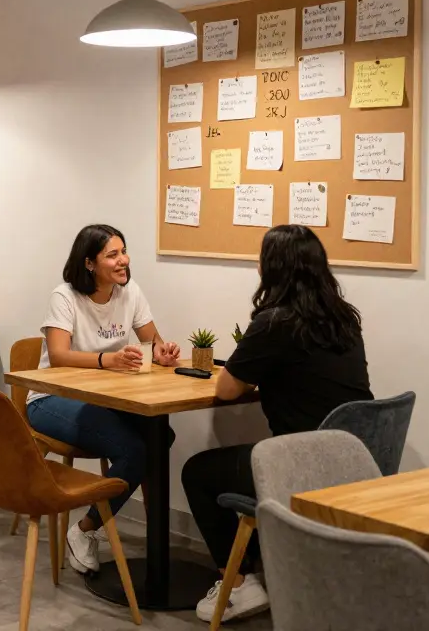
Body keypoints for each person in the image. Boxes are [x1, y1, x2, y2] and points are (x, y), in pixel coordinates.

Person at [181, 224, 373, 623]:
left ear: (273, 270)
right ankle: (257, 576)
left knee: (197, 472)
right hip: (356, 459)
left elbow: (228, 389)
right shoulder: (344, 318)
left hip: (303, 465)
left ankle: (240, 585)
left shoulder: (275, 323)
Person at [26, 223, 181, 575]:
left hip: (104, 398)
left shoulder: (130, 291)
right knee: (135, 448)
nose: (123, 260)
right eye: (112, 254)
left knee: (160, 436)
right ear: (89, 264)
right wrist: (106, 360)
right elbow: (59, 354)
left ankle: (151, 539)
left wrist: (163, 352)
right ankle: (84, 530)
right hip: (50, 400)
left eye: (124, 251)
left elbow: (152, 340)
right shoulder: (64, 296)